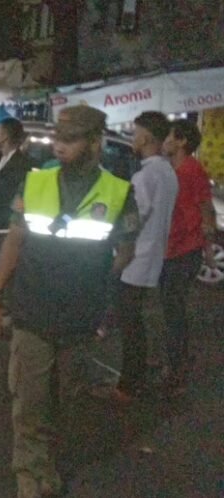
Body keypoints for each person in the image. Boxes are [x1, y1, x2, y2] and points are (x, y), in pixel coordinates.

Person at [0, 105, 140, 498]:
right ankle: (29, 474)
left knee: (64, 400)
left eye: (70, 139)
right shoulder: (35, 182)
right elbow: (14, 240)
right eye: (57, 137)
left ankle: (47, 464)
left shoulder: (119, 192)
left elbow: (125, 252)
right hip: (32, 311)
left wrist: (93, 282)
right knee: (29, 400)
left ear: (95, 142)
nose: (59, 145)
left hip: (80, 317)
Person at [107, 112, 178, 403]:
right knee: (134, 321)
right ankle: (135, 377)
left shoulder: (145, 176)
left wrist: (117, 246)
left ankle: (128, 385)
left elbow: (134, 219)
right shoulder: (167, 172)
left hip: (136, 259)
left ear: (147, 137)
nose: (133, 138)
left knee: (130, 324)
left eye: (135, 132)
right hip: (152, 255)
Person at [160, 119, 217, 395]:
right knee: (170, 309)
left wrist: (207, 250)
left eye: (169, 136)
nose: (165, 141)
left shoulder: (191, 170)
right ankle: (175, 361)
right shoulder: (173, 169)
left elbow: (206, 209)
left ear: (182, 141)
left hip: (185, 250)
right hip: (171, 248)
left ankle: (177, 369)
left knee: (174, 311)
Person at [0, 119, 38, 295]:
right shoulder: (1, 158)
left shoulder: (22, 162)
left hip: (5, 226)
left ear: (6, 134)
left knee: (2, 271)